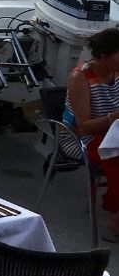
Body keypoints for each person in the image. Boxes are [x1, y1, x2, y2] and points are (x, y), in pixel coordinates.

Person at [62, 27, 119, 242]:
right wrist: (115, 116)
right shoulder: (81, 77)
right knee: (115, 156)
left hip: (113, 132)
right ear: (105, 57)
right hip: (80, 138)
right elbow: (84, 126)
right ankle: (116, 216)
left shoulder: (117, 73)